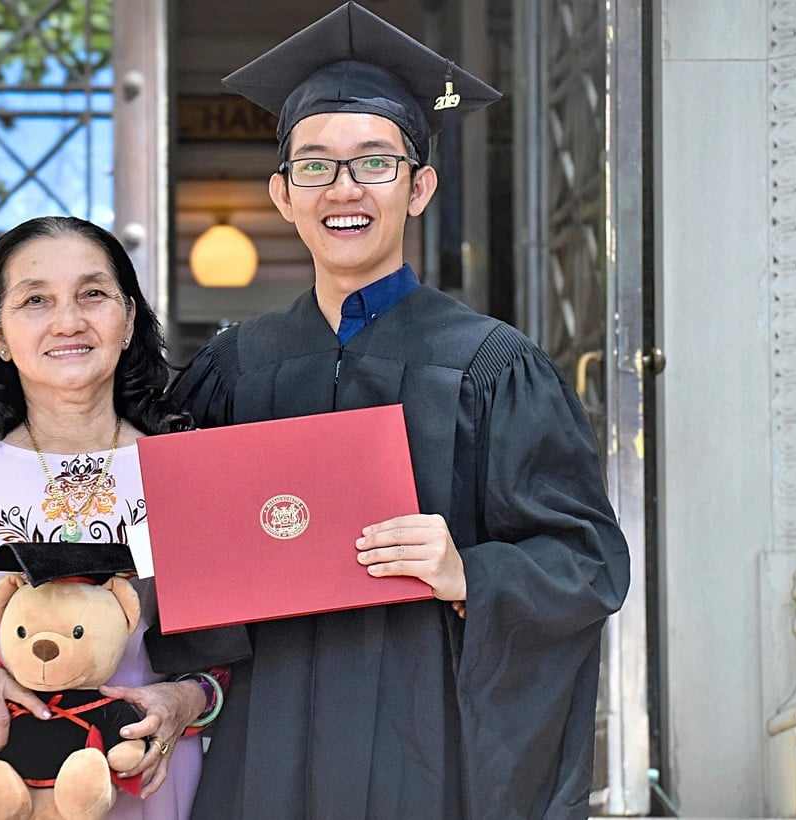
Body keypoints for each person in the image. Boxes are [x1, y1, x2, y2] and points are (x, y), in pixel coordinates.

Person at [170, 4, 631, 819]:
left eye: (374, 163)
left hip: (425, 757)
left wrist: (470, 572)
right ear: (282, 195)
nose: (343, 189)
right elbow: (166, 545)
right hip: (262, 751)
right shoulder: (233, 371)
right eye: (315, 166)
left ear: (420, 188)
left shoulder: (493, 367)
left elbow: (589, 562)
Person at [0, 215, 247, 820]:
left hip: (142, 785)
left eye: (93, 294)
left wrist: (187, 700)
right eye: (35, 300)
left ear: (129, 318)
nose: (68, 321)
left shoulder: (190, 469)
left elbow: (234, 659)